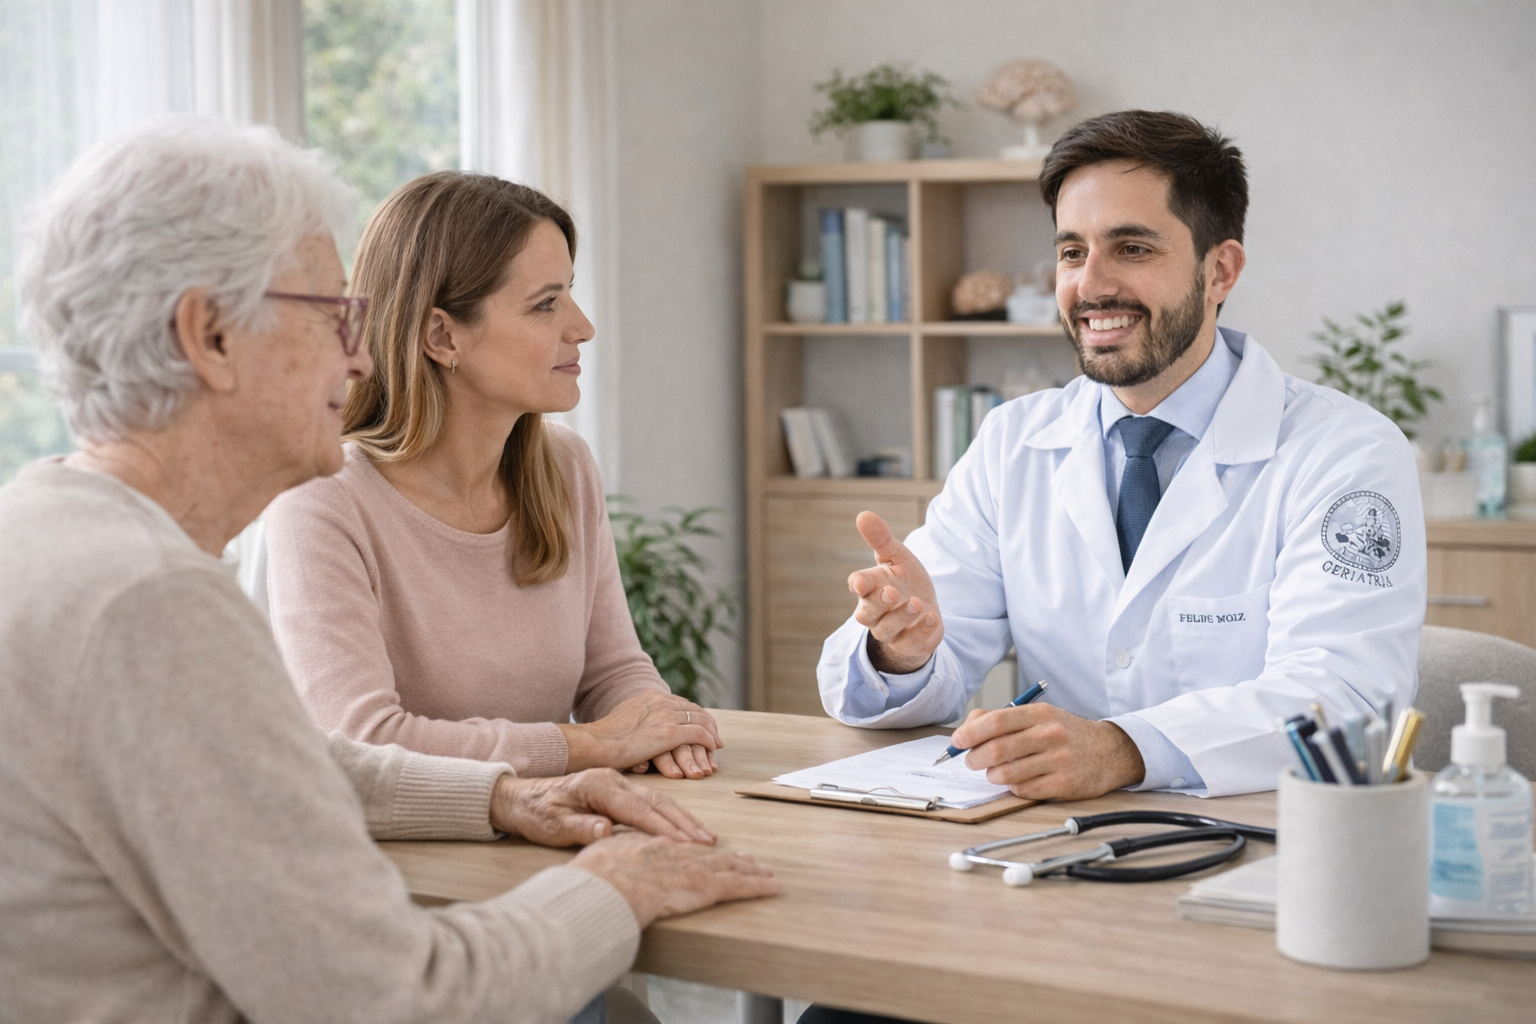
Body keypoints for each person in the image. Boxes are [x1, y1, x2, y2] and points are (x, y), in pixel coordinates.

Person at [0, 115, 778, 1024]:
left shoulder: (48, 532)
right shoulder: (152, 604)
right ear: (209, 337)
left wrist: (502, 794)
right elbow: (398, 997)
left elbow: (296, 769)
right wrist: (614, 887)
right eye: (333, 315)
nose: (364, 354)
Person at [817, 109, 1426, 801]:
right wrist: (901, 652)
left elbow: (1344, 697)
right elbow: (879, 685)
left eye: (1132, 248)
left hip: (1265, 846)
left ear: (1219, 270)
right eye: (1072, 252)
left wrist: (1123, 749)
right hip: (1050, 842)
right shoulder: (1013, 442)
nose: (1091, 285)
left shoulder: (1343, 451)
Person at [260, 171, 721, 782]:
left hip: (545, 827)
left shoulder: (564, 467)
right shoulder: (320, 501)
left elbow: (612, 672)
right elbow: (362, 740)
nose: (582, 327)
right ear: (441, 334)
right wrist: (591, 746)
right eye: (545, 304)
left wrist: (663, 727)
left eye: (570, 294)